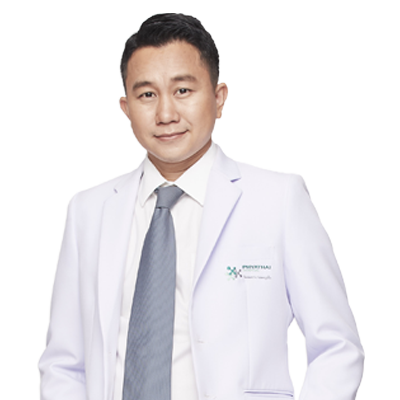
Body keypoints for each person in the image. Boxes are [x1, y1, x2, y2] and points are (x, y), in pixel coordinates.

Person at [39, 13, 364, 400]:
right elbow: (64, 363)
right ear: (126, 108)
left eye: (183, 90)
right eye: (147, 95)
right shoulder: (90, 212)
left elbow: (338, 348)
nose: (165, 114)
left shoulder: (278, 201)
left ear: (219, 97)